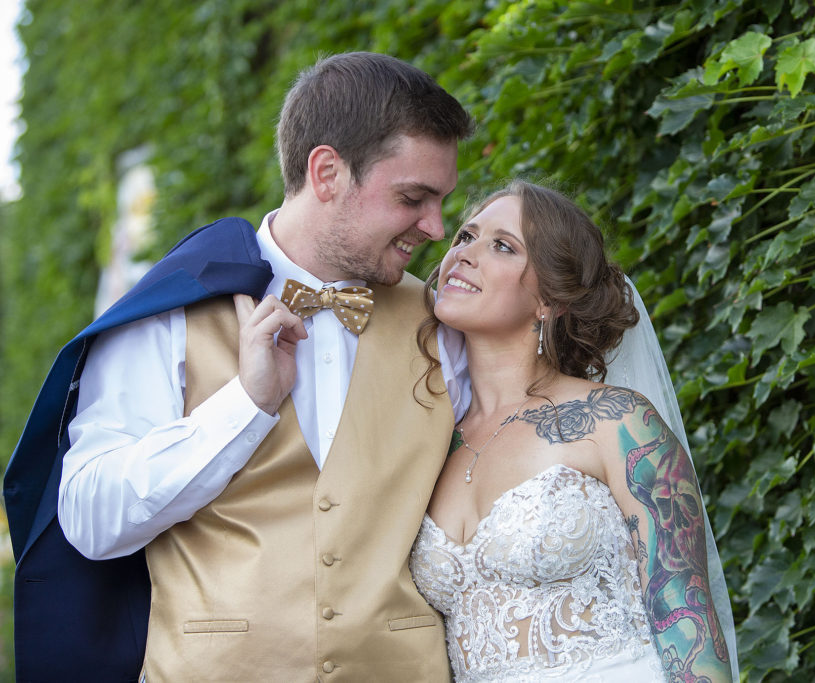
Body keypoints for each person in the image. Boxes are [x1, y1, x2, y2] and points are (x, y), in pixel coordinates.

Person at [4, 52, 473, 681]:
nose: (437, 227)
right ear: (327, 171)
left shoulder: (448, 325)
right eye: (413, 198)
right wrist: (243, 407)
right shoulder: (171, 309)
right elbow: (89, 517)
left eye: (441, 200)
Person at [409, 180, 739, 681]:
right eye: (464, 236)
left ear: (550, 299)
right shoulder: (429, 441)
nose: (464, 254)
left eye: (502, 246)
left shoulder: (619, 423)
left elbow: (690, 627)